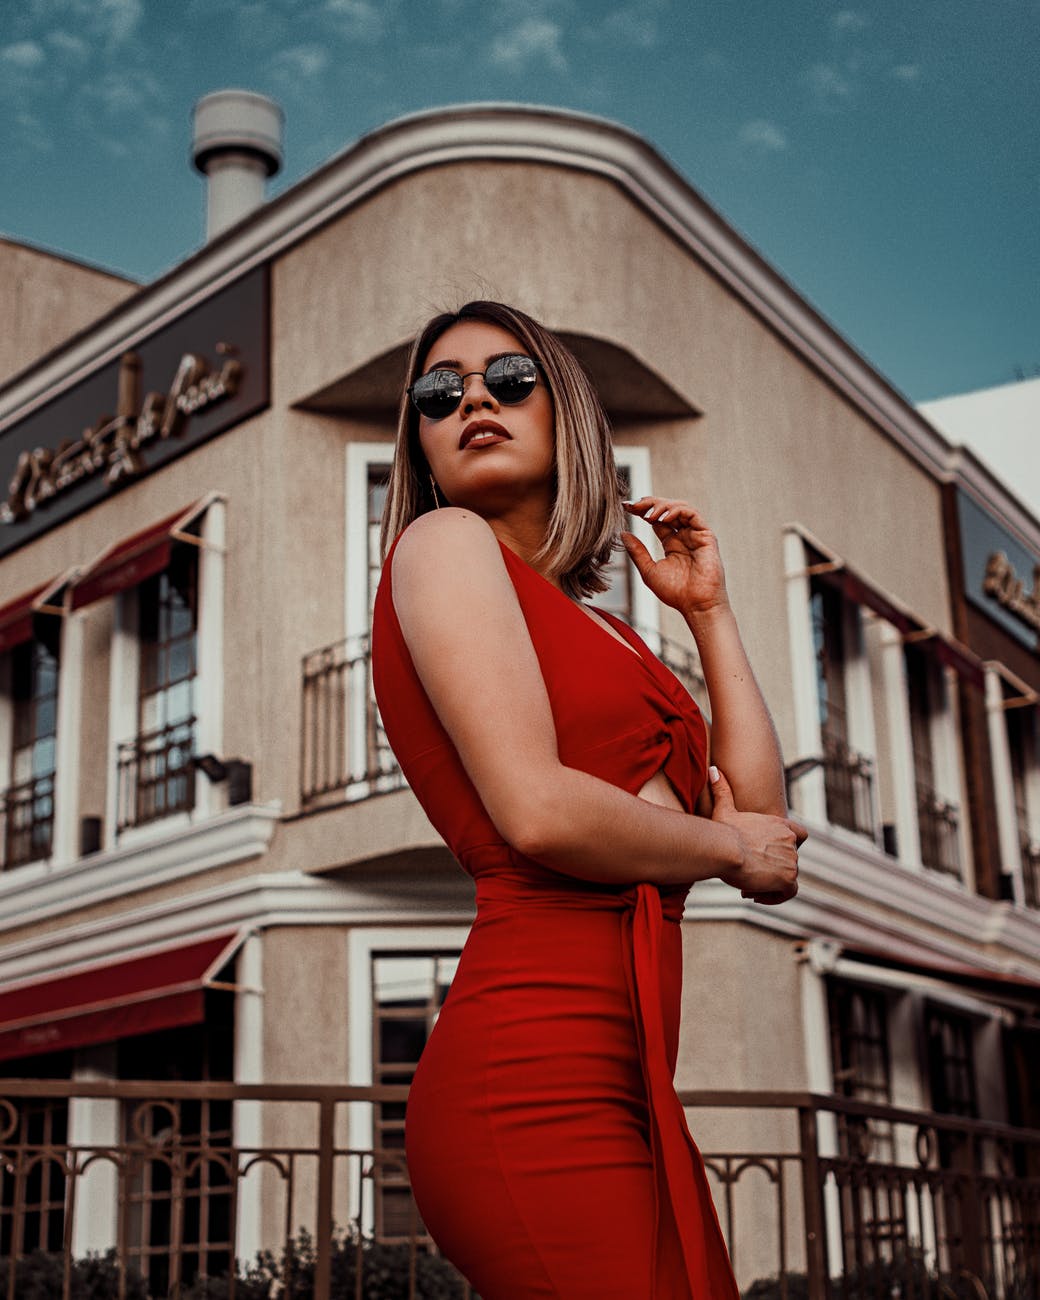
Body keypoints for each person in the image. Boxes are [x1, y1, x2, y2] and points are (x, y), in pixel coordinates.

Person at [372, 301, 805, 1299]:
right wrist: (730, 848)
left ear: (566, 411)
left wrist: (708, 613)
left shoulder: (603, 634)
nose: (473, 396)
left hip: (630, 1080)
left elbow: (757, 817)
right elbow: (538, 810)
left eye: (508, 377)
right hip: (528, 1072)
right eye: (440, 392)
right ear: (423, 444)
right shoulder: (442, 544)